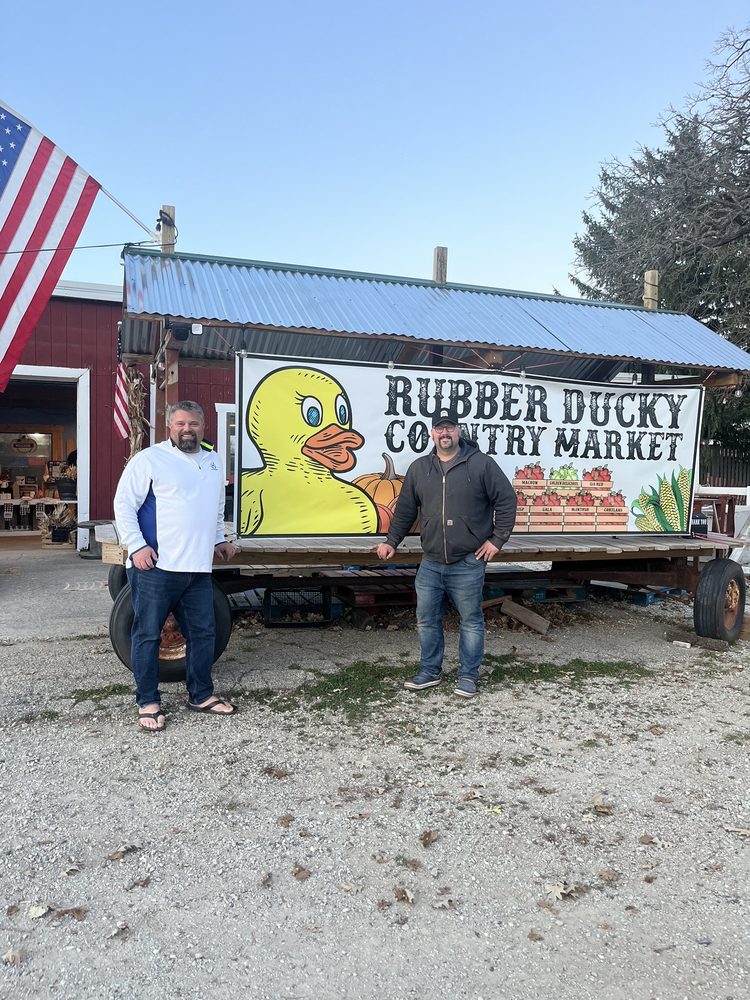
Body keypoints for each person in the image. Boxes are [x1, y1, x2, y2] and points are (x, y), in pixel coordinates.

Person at [113, 401, 239, 732]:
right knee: (147, 635)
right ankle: (148, 702)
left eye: (194, 424)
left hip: (197, 568)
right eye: (181, 423)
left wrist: (218, 540)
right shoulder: (151, 459)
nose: (188, 429)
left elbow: (213, 508)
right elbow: (124, 503)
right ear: (169, 427)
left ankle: (200, 695)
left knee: (203, 633)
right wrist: (137, 545)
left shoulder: (212, 462)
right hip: (156, 566)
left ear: (203, 427)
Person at [375, 406, 517, 698]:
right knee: (426, 620)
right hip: (430, 563)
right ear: (432, 433)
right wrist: (391, 541)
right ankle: (429, 672)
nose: (445, 433)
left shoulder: (481, 465)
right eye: (439, 428)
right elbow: (404, 510)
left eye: (450, 427)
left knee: (471, 621)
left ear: (459, 430)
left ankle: (468, 675)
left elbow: (506, 500)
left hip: (467, 561)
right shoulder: (419, 468)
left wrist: (497, 540)